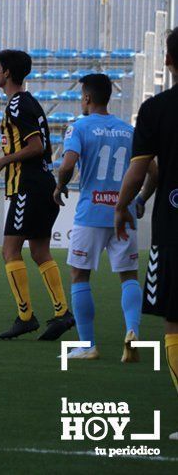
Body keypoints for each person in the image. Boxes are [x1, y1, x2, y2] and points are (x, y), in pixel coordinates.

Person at [54, 73, 152, 360]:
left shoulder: (79, 127)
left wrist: (60, 186)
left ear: (86, 97)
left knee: (79, 275)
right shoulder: (129, 131)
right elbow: (153, 171)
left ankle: (88, 345)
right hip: (125, 214)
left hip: (91, 214)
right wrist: (141, 199)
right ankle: (132, 331)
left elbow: (68, 164)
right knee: (129, 276)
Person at [0, 49, 75, 340]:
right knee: (39, 251)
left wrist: (2, 160)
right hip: (42, 185)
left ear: (8, 72)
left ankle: (25, 316)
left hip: (29, 186)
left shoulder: (17, 105)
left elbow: (35, 147)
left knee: (10, 251)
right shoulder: (28, 102)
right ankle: (61, 313)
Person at [115, 27, 178, 441]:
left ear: (169, 61)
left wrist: (121, 206)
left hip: (174, 227)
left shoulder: (156, 109)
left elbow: (139, 170)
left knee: (176, 320)